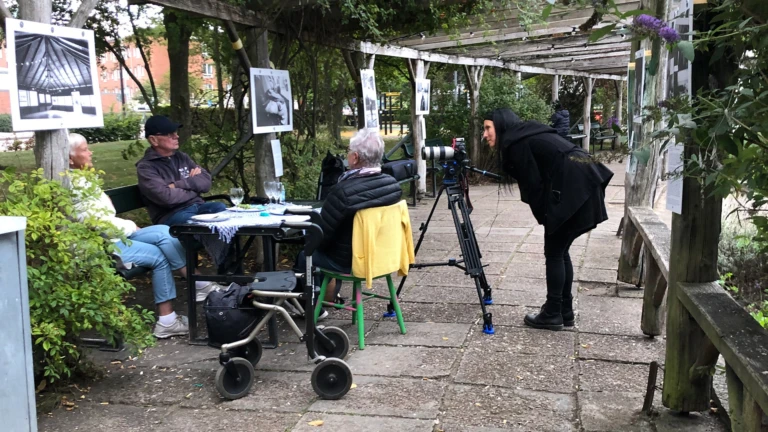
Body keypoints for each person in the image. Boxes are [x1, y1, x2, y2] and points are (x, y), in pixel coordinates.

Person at [68, 133, 219, 338]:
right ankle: (168, 320)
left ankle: (198, 284)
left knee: (166, 234)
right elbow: (97, 223)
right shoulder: (72, 186)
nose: (90, 152)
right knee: (158, 255)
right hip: (100, 243)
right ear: (70, 158)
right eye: (85, 149)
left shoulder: (81, 178)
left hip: (114, 234)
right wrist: (131, 227)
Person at [483, 108, 613, 331]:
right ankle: (564, 311)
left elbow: (534, 187)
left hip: (576, 188)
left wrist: (547, 215)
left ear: (502, 126)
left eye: (488, 128)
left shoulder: (516, 144)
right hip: (584, 183)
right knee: (560, 251)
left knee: (554, 251)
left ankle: (553, 313)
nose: (485, 134)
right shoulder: (525, 136)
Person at [292, 128, 403, 316]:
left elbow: (322, 235)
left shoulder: (343, 191)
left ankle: (313, 309)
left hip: (352, 261)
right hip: (383, 257)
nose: (348, 155)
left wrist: (307, 236)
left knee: (305, 255)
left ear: (355, 158)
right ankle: (327, 298)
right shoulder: (393, 185)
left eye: (349, 151)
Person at [136, 115, 226, 226]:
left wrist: (177, 185)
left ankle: (221, 244)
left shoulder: (182, 157)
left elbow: (206, 182)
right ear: (153, 140)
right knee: (196, 223)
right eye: (170, 134)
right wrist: (195, 188)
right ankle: (207, 244)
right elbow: (167, 198)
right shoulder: (146, 167)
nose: (176, 136)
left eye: (175, 132)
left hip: (197, 206)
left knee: (220, 208)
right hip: (171, 215)